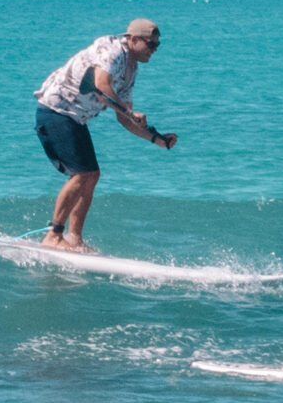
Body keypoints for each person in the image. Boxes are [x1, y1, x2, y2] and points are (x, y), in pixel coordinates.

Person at [33, 18, 177, 252]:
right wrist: (129, 112)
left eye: (157, 46)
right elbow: (101, 87)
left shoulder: (131, 70)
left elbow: (123, 118)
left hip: (75, 119)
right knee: (82, 174)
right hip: (55, 111)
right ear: (133, 39)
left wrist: (156, 139)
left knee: (92, 175)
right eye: (151, 45)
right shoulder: (110, 50)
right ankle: (53, 235)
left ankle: (74, 238)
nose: (154, 50)